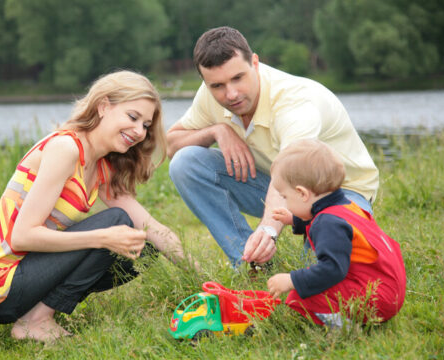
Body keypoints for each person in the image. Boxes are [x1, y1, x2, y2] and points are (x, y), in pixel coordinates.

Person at [0, 70, 190, 343]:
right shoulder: (66, 148)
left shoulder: (101, 166)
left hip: (31, 274)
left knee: (145, 247)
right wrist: (102, 238)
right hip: (1, 283)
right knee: (116, 223)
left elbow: (151, 227)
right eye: (132, 117)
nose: (139, 131)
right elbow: (22, 236)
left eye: (145, 125)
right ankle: (35, 322)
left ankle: (38, 313)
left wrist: (202, 277)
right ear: (104, 106)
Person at [167, 26, 379, 266]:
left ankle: (266, 245)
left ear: (255, 63)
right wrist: (217, 130)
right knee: (185, 162)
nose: (231, 94)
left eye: (238, 78)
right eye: (217, 86)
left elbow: (291, 171)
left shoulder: (294, 102)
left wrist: (268, 230)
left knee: (316, 277)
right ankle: (250, 263)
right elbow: (172, 144)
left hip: (340, 194)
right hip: (277, 187)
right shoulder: (209, 94)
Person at [266, 139, 405, 328]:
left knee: (298, 297)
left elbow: (332, 269)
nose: (285, 201)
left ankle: (344, 327)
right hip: (388, 289)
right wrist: (295, 219)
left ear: (302, 193)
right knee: (307, 289)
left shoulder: (328, 223)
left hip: (375, 299)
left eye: (285, 197)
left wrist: (292, 280)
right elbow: (324, 221)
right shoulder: (345, 206)